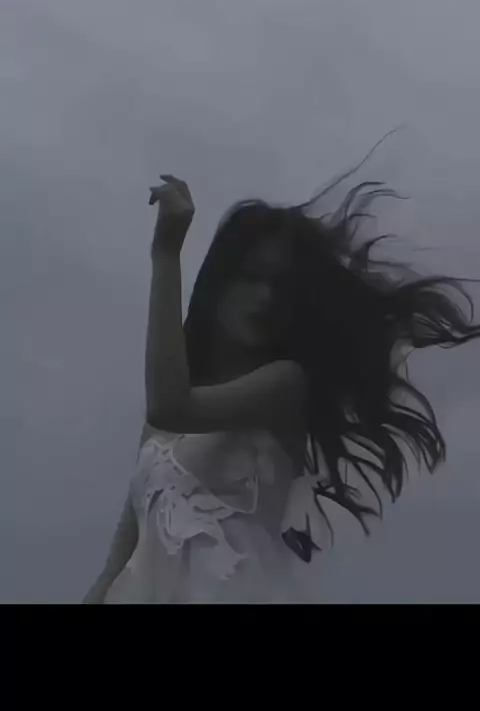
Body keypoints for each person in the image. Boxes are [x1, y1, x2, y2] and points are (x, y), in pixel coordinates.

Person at [83, 148, 480, 604]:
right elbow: (118, 563)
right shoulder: (157, 431)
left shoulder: (284, 384)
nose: (265, 296)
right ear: (218, 283)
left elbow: (170, 405)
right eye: (252, 277)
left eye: (281, 286)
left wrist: (166, 253)